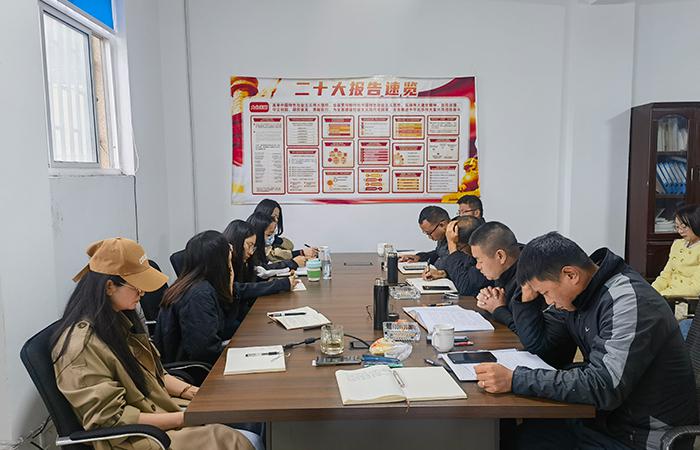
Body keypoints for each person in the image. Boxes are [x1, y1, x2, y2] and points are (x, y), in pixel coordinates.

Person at [475, 232, 698, 450]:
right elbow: (542, 347)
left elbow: (605, 386)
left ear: (571, 275)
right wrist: (527, 302)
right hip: (607, 419)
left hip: (640, 435)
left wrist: (516, 379)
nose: (549, 302)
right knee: (516, 434)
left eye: (546, 293)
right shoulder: (580, 295)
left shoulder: (628, 302)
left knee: (524, 438)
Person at [52, 237, 261, 450]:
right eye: (137, 287)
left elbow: (155, 374)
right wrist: (186, 418)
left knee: (240, 414)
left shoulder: (118, 322)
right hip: (135, 438)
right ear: (109, 287)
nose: (142, 294)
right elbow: (113, 420)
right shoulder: (81, 347)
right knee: (232, 439)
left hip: (156, 411)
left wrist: (195, 393)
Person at [469, 222, 575, 368]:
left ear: (500, 256)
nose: (477, 266)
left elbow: (529, 336)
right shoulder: (507, 271)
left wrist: (498, 310)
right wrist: (490, 299)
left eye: (479, 260)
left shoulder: (531, 279)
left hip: (545, 363)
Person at [153, 231, 239, 365]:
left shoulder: (189, 283)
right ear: (219, 262)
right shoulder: (199, 295)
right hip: (197, 370)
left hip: (191, 362)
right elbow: (205, 352)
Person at [223, 219, 297, 304]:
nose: (251, 252)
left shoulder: (244, 261)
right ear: (237, 242)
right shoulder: (224, 263)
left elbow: (256, 277)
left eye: (253, 247)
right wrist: (281, 284)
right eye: (249, 245)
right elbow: (239, 290)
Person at [422, 215, 490, 296]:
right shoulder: (469, 254)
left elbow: (464, 287)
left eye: (459, 247)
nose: (458, 251)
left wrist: (452, 246)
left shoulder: (487, 259)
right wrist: (443, 274)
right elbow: (465, 272)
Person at [652, 204, 700, 297]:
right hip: (665, 295)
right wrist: (652, 291)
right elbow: (665, 275)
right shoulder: (678, 244)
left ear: (696, 224)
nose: (680, 231)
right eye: (677, 227)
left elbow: (695, 288)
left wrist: (662, 295)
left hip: (684, 299)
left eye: (684, 227)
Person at [253, 199, 318, 262]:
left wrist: (275, 239)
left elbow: (290, 246)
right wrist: (301, 253)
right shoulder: (253, 237)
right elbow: (273, 256)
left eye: (277, 217)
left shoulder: (270, 239)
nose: (276, 220)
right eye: (273, 217)